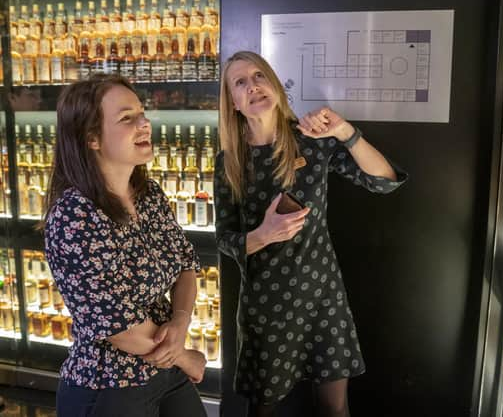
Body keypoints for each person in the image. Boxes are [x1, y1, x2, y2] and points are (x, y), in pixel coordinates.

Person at [215, 51, 407, 417]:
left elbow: (384, 182)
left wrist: (346, 133)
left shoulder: (311, 141)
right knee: (263, 408)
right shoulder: (230, 162)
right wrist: (264, 234)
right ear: (234, 103)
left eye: (259, 76)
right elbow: (224, 238)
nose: (254, 85)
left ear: (274, 84)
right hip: (266, 306)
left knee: (335, 408)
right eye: (241, 82)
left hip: (322, 297)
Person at [43, 74, 207, 417]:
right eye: (127, 118)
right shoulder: (75, 215)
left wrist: (179, 323)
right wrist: (184, 355)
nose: (144, 123)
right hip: (108, 386)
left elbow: (185, 265)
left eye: (142, 113)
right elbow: (117, 325)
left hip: (164, 369)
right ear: (91, 138)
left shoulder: (149, 196)